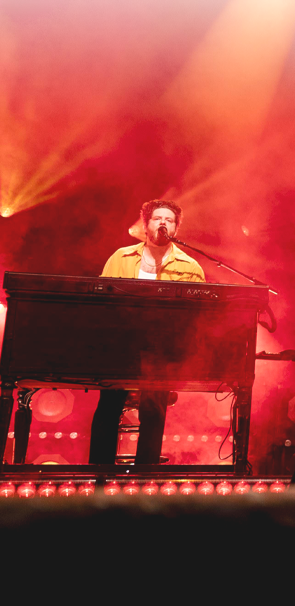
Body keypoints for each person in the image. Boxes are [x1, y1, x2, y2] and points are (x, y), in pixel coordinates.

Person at [89, 199, 205, 464]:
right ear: (146, 224)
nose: (163, 223)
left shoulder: (189, 267)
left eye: (169, 220)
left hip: (161, 351)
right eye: (157, 218)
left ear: (176, 228)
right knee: (108, 406)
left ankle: (145, 476)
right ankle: (98, 475)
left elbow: (194, 318)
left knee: (153, 410)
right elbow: (100, 303)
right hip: (119, 346)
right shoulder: (120, 257)